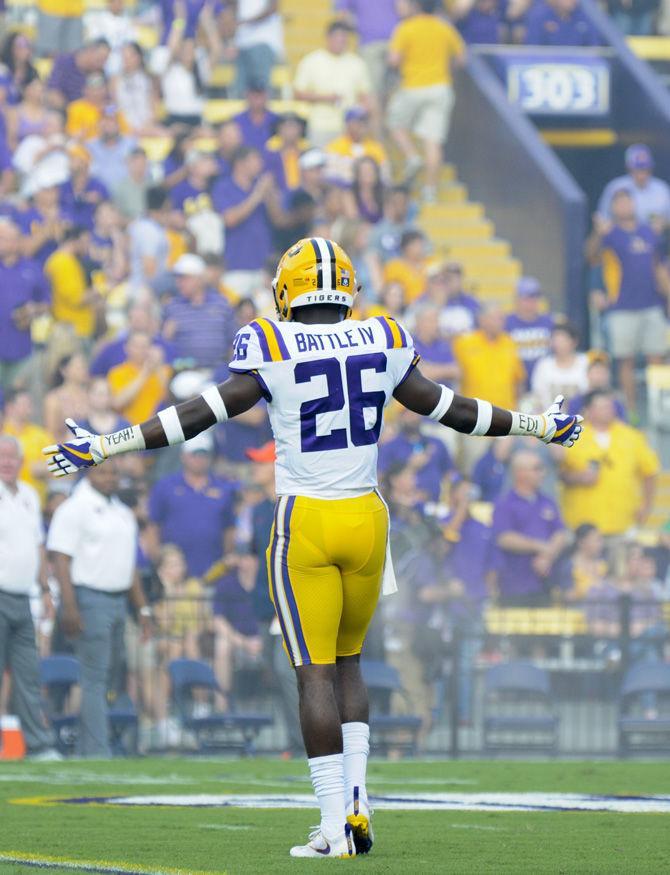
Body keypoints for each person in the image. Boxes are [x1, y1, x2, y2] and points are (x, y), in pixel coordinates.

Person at [43, 236, 582, 858]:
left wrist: (110, 444)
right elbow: (450, 410)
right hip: (368, 519)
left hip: (306, 520)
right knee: (350, 662)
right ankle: (359, 803)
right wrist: (539, 425)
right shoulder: (380, 333)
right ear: (345, 287)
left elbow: (200, 414)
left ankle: (333, 824)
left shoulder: (268, 341)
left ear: (287, 289)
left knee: (313, 672)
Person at [47, 459, 152, 757]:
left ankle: (87, 747)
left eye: (113, 472)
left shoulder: (122, 512)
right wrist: (69, 606)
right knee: (93, 678)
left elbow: (129, 566)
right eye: (102, 472)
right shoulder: (74, 508)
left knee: (109, 678)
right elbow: (60, 559)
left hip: (119, 600)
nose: (109, 478)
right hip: (89, 597)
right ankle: (97, 751)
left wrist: (143, 609)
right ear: (88, 474)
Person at [586, 188, 669, 412]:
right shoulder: (609, 233)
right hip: (621, 306)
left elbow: (659, 266)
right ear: (613, 208)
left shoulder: (648, 231)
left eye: (628, 202)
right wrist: (598, 233)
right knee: (626, 361)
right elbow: (591, 257)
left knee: (657, 358)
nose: (625, 206)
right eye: (620, 203)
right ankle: (632, 411)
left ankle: (658, 410)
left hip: (652, 304)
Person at [0, 435, 58, 758]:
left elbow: (38, 545)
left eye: (12, 457)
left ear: (21, 463)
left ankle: (36, 744)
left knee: (27, 674)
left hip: (23, 596)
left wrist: (46, 589)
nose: (7, 462)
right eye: (2, 457)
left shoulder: (30, 497)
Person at [388, 0, 466, 202]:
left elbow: (393, 60)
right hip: (440, 87)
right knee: (433, 141)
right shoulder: (444, 27)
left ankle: (411, 155)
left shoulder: (406, 27)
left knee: (395, 123)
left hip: (413, 86)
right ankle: (430, 190)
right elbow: (461, 58)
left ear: (416, 6)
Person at [560, 389, 659, 537]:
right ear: (588, 410)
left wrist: (646, 505)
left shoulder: (632, 436)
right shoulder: (572, 436)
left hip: (622, 521)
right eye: (602, 407)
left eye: (610, 406)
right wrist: (579, 477)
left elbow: (650, 471)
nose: (608, 410)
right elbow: (560, 473)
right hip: (583, 525)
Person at [146, 431, 237, 579]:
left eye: (204, 454)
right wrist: (158, 560)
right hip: (173, 573)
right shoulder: (165, 486)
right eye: (194, 454)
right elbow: (153, 526)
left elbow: (229, 529)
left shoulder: (223, 488)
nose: (199, 459)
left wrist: (225, 561)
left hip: (212, 570)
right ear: (183, 456)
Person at [492, 450, 569, 606]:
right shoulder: (505, 504)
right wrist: (540, 547)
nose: (543, 473)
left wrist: (548, 556)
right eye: (537, 468)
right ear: (520, 473)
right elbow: (504, 538)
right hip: (515, 585)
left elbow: (560, 533)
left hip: (546, 582)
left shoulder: (547, 501)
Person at [293, 20, 373, 147]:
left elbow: (365, 96)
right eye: (337, 38)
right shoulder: (312, 61)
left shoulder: (357, 63)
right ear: (328, 38)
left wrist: (362, 118)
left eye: (344, 39)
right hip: (320, 124)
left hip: (348, 127)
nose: (341, 42)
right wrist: (326, 98)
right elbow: (298, 94)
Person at [162, 253, 237, 368]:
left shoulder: (222, 304)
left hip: (218, 371)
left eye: (184, 278)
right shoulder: (172, 307)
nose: (179, 283)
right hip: (183, 371)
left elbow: (233, 341)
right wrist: (166, 336)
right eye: (178, 278)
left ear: (200, 279)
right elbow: (163, 346)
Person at [0, 218, 49, 392]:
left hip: (22, 347)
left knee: (17, 399)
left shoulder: (32, 268)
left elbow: (47, 303)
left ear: (16, 242)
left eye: (3, 238)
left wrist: (32, 310)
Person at [453, 303, 525, 411]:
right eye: (495, 318)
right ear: (482, 320)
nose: (500, 322)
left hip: (505, 413)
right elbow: (454, 375)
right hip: (474, 413)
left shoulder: (509, 343)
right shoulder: (464, 343)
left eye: (501, 318)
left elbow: (518, 379)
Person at [335, 0, 398, 106]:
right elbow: (342, 14)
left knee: (393, 92)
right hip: (371, 45)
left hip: (397, 45)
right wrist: (362, 27)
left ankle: (384, 121)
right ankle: (376, 122)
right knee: (372, 91)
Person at [597, 144, 670, 228]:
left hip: (655, 239)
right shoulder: (615, 187)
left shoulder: (662, 189)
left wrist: (663, 223)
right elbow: (603, 219)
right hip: (621, 237)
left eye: (645, 168)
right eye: (638, 169)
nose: (642, 174)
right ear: (629, 168)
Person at [108, 331, 171, 424]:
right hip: (132, 428)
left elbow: (172, 398)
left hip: (161, 426)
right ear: (126, 348)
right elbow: (117, 403)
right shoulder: (117, 372)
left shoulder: (165, 370)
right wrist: (145, 372)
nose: (141, 350)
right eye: (136, 346)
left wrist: (158, 367)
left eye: (145, 346)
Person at [504, 276, 554, 387]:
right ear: (517, 300)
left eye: (535, 298)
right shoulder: (506, 323)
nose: (531, 303)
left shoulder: (549, 322)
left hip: (543, 381)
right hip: (516, 382)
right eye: (527, 298)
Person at [531, 323, 589, 410]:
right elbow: (537, 395)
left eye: (562, 340)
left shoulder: (586, 362)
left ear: (574, 342)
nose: (558, 344)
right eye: (555, 340)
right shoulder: (544, 365)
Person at [326, 107, 389, 186]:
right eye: (358, 122)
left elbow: (385, 177)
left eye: (364, 122)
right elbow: (331, 176)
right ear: (348, 124)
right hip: (344, 192)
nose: (362, 126)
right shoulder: (335, 146)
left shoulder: (376, 147)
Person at [233, 0, 284, 97]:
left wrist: (244, 22)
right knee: (241, 91)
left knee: (260, 91)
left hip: (262, 41)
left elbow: (273, 8)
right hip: (243, 43)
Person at [524, 0, 601, 46]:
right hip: (546, 65)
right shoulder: (539, 16)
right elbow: (532, 48)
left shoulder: (585, 16)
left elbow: (594, 48)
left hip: (581, 65)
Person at [233, 83, 280, 153]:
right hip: (243, 159)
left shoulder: (277, 120)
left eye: (260, 95)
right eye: (254, 96)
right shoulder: (236, 121)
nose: (258, 100)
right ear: (247, 96)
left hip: (270, 159)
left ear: (267, 96)